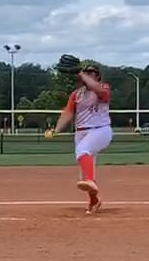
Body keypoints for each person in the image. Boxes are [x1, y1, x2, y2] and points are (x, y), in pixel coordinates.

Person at [44, 55, 112, 213]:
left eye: (92, 73)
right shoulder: (76, 94)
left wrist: (81, 73)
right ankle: (94, 200)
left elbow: (98, 90)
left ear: (98, 77)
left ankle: (90, 181)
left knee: (82, 151)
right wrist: (56, 130)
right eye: (87, 73)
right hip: (81, 133)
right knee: (84, 176)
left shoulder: (103, 88)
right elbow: (67, 113)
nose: (89, 75)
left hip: (100, 130)